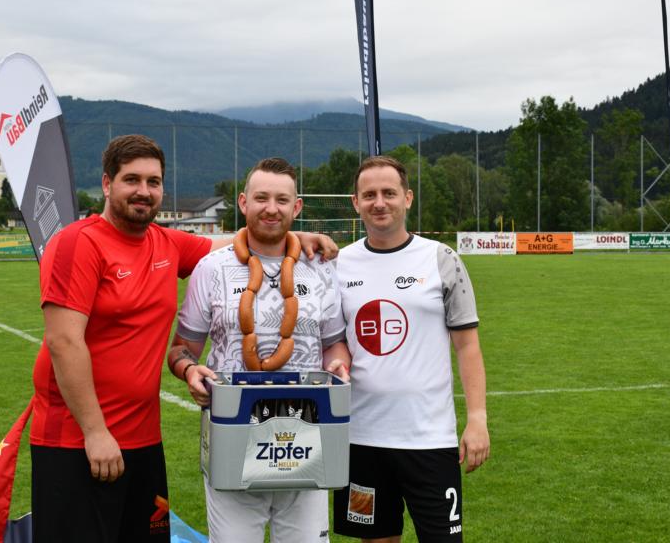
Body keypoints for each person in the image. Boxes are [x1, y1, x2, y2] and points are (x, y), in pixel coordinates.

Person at [29, 136, 337, 543]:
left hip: (142, 438)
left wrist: (298, 238)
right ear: (106, 184)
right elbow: (64, 342)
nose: (143, 191)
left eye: (153, 182)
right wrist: (95, 432)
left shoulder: (167, 243)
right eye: (131, 180)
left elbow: (246, 242)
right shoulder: (77, 242)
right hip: (78, 439)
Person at [168, 157, 351, 543]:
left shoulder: (320, 268)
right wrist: (189, 370)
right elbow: (181, 349)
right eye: (262, 198)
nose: (271, 208)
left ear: (296, 207)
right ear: (243, 202)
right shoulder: (210, 269)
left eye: (282, 200)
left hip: (307, 438)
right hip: (234, 440)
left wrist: (338, 364)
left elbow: (334, 343)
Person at [332, 156, 490, 543]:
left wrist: (477, 419)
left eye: (389, 193)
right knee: (376, 540)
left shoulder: (441, 259)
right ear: (355, 202)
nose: (379, 202)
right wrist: (338, 360)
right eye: (369, 194)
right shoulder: (339, 264)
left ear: (407, 198)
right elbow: (336, 340)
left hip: (429, 439)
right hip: (362, 438)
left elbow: (467, 346)